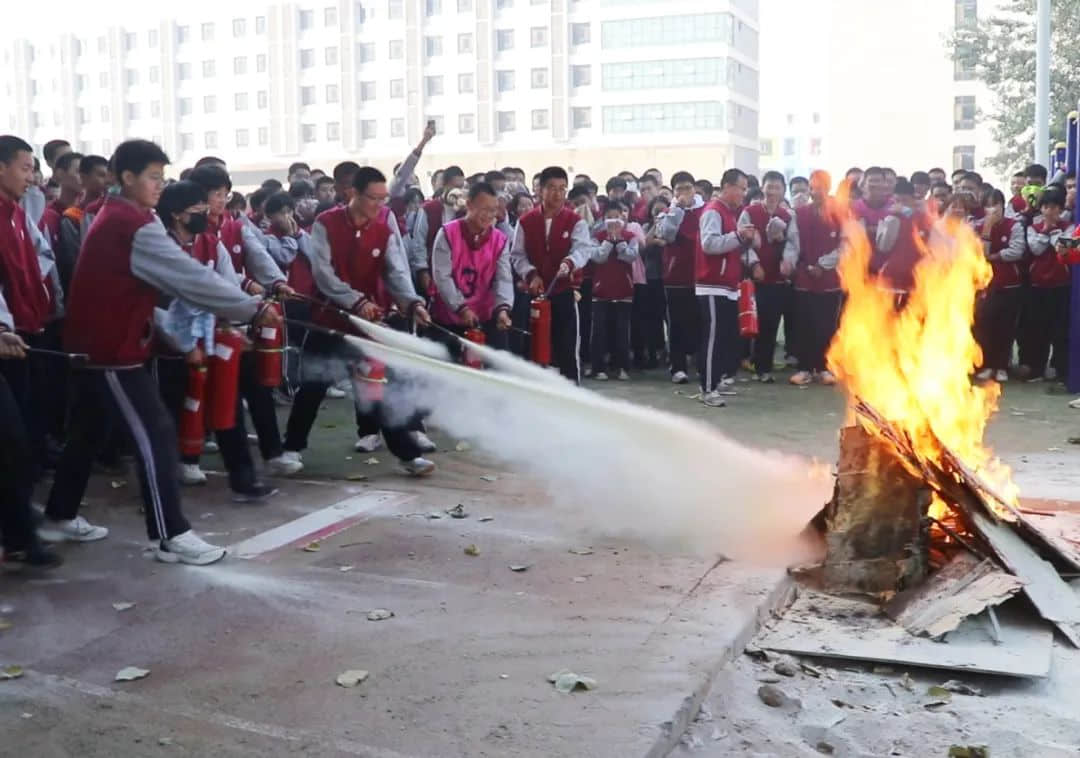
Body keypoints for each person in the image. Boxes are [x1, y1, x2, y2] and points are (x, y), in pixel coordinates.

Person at [47, 139, 282, 565]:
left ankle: (61, 513)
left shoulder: (124, 216)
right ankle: (170, 534)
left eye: (161, 177)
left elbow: (173, 288)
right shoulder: (131, 224)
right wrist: (251, 308)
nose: (159, 185)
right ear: (127, 178)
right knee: (156, 435)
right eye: (152, 178)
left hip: (98, 346)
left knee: (87, 434)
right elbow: (188, 277)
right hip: (110, 351)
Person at [280, 166, 436, 475]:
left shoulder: (383, 229)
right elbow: (323, 274)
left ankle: (407, 455)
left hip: (367, 324)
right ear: (354, 193)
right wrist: (356, 300)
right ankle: (291, 449)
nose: (380, 205)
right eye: (374, 198)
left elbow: (396, 273)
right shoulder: (326, 224)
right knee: (313, 387)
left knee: (376, 389)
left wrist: (412, 301)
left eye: (383, 198)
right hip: (330, 318)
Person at [154, 180, 280, 499]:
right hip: (169, 347)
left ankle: (243, 479)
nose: (206, 212)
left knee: (229, 406)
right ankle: (166, 482)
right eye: (198, 208)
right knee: (170, 414)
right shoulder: (156, 248)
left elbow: (226, 288)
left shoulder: (210, 243)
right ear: (176, 214)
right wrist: (184, 345)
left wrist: (240, 322)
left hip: (212, 338)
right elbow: (155, 304)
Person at [188, 165, 301, 477]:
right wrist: (246, 294)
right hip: (197, 328)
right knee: (200, 395)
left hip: (234, 323)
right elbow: (207, 278)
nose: (222, 201)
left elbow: (255, 258)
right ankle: (189, 459)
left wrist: (276, 283)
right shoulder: (191, 232)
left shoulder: (234, 226)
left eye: (225, 194)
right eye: (216, 195)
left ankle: (271, 454)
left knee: (254, 389)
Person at [510, 166, 597, 383]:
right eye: (552, 188)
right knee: (535, 347)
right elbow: (517, 255)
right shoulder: (526, 221)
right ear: (540, 190)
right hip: (535, 295)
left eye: (562, 189)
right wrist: (530, 274)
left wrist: (570, 262)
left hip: (564, 293)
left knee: (567, 348)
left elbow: (583, 249)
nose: (557, 194)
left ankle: (571, 394)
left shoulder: (575, 221)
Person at [429, 181, 514, 358]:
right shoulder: (447, 233)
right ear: (469, 205)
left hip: (486, 317)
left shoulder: (500, 240)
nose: (489, 215)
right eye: (484, 209)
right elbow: (442, 277)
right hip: (448, 317)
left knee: (497, 369)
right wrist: (461, 308)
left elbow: (503, 279)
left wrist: (503, 309)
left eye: (493, 210)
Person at [696, 168, 755, 406]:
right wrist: (738, 237)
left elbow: (727, 245)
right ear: (727, 187)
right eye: (741, 188)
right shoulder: (713, 211)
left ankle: (716, 380)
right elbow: (708, 244)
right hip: (712, 285)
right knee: (712, 337)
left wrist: (742, 241)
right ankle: (707, 388)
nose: (743, 193)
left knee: (724, 336)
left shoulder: (729, 212)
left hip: (727, 285)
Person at [740, 171, 797, 382]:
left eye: (777, 187)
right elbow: (742, 242)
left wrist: (788, 261)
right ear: (762, 188)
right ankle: (746, 360)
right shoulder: (749, 211)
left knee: (771, 323)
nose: (772, 191)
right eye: (769, 187)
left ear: (783, 191)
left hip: (777, 278)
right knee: (750, 322)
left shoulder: (788, 216)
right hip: (753, 278)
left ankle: (764, 367)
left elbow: (793, 243)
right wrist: (753, 263)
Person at [790, 170, 842, 386]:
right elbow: (793, 244)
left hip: (830, 281)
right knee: (804, 325)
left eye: (819, 188)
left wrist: (823, 265)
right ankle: (804, 368)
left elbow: (846, 246)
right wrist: (795, 264)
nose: (815, 192)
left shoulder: (841, 213)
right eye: (812, 188)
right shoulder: (799, 213)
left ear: (828, 188)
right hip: (804, 278)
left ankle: (824, 367)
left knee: (827, 325)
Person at [656, 171, 703, 384]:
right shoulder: (668, 212)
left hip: (701, 275)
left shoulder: (706, 210)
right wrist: (677, 211)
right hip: (675, 276)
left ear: (695, 189)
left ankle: (703, 365)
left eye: (687, 188)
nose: (684, 193)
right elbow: (666, 235)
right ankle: (677, 367)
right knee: (676, 324)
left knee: (701, 322)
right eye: (679, 189)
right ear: (673, 192)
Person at [974, 189, 1025, 382]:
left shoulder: (1014, 225)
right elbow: (980, 253)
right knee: (985, 326)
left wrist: (996, 256)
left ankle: (1001, 365)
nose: (992, 209)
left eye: (996, 204)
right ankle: (987, 365)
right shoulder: (977, 226)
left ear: (1004, 206)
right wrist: (987, 228)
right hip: (986, 286)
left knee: (1006, 327)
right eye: (988, 205)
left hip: (1009, 285)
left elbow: (1016, 251)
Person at [1024, 187, 1073, 383]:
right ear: (1041, 209)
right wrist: (1047, 231)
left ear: (1060, 209)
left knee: (1060, 329)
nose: (1050, 211)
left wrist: (1052, 234)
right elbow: (1035, 249)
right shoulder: (1032, 228)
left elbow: (1062, 249)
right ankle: (1036, 368)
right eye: (1046, 207)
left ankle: (1059, 368)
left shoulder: (1070, 227)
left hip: (1061, 285)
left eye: (1054, 207)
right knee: (1037, 329)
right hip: (1037, 286)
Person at [590, 200, 639, 381]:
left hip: (623, 290)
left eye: (616, 217)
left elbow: (630, 257)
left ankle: (622, 367)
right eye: (609, 218)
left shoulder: (630, 235)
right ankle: (598, 368)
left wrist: (619, 242)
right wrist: (609, 242)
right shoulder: (597, 235)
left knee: (622, 332)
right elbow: (597, 258)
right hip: (600, 290)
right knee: (599, 332)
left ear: (623, 218)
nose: (613, 221)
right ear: (603, 219)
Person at [876, 179, 933, 306]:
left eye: (905, 201)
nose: (900, 205)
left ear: (913, 199)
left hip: (917, 277)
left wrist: (909, 213)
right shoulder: (889, 218)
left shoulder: (923, 218)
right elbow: (883, 247)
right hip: (892, 276)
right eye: (897, 201)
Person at [57, 154, 109, 294]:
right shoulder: (72, 217)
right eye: (100, 175)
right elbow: (74, 262)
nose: (106, 181)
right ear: (83, 177)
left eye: (108, 176)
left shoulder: (111, 211)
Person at [852, 166, 892, 272]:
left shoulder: (896, 207)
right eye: (872, 181)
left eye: (879, 181)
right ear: (863, 184)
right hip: (862, 267)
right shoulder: (854, 207)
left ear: (885, 184)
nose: (875, 184)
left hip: (888, 267)